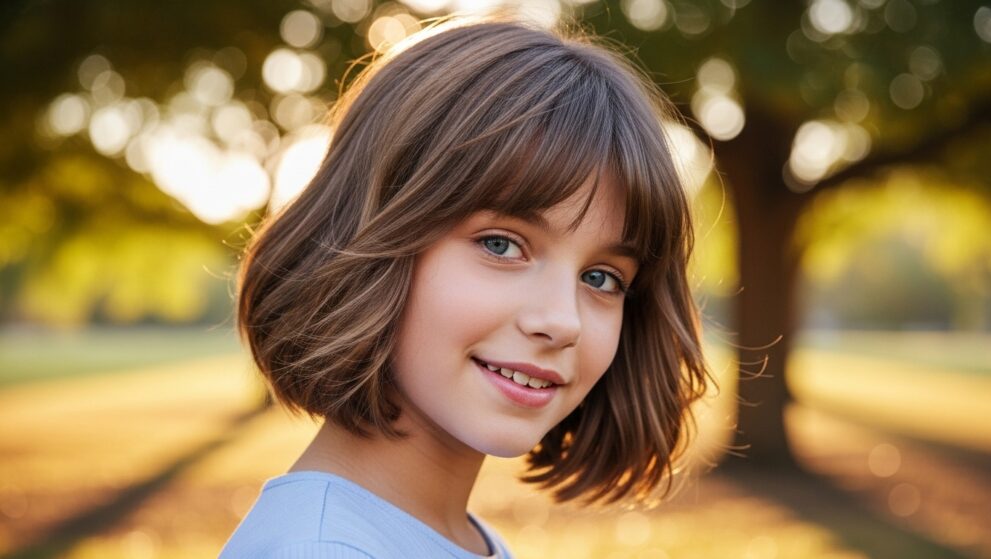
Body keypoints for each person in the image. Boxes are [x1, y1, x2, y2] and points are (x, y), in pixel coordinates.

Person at [220, 15, 711, 559]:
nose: (562, 321)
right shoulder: (322, 550)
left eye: (601, 278)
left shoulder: (455, 540)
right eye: (501, 245)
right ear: (372, 233)